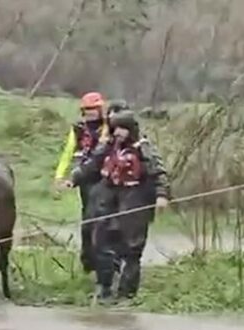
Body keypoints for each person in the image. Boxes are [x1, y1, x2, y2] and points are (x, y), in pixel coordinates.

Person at [70, 110, 171, 300]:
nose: (116, 133)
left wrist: (161, 195)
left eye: (121, 129)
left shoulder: (143, 148)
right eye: (114, 128)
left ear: (130, 130)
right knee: (101, 241)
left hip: (135, 197)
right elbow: (92, 164)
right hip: (109, 195)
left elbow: (158, 173)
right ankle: (104, 286)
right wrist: (75, 178)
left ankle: (127, 293)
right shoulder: (109, 146)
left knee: (132, 248)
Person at [54, 91, 109, 272]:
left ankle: (105, 261)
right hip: (84, 179)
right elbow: (68, 152)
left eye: (94, 109)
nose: (91, 113)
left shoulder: (109, 126)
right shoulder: (78, 128)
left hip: (105, 178)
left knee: (101, 219)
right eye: (87, 110)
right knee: (87, 219)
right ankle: (88, 261)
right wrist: (59, 176)